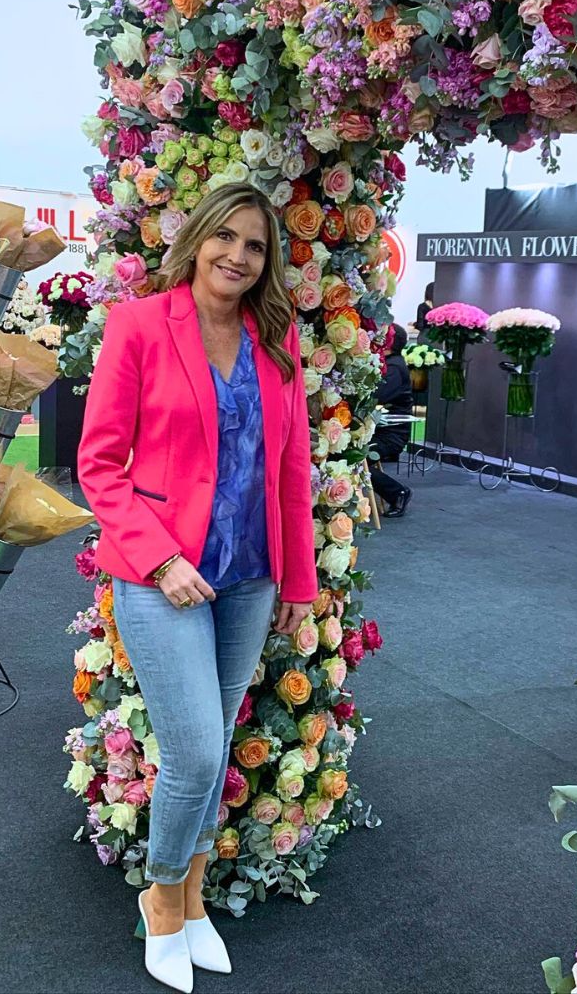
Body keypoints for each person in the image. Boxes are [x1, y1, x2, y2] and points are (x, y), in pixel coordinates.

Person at [78, 185, 317, 994]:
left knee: (210, 753)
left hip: (249, 577)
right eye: (226, 237)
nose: (238, 256)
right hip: (164, 576)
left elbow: (291, 470)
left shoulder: (276, 345)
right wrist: (158, 558)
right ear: (198, 239)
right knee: (197, 753)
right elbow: (99, 466)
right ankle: (161, 898)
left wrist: (298, 579)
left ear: (266, 261)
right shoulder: (141, 325)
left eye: (255, 245)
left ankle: (191, 896)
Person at [370, 324, 413, 517]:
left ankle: (397, 492)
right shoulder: (390, 363)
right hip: (379, 430)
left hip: (391, 434)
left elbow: (376, 396)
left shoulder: (395, 367)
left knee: (353, 456)